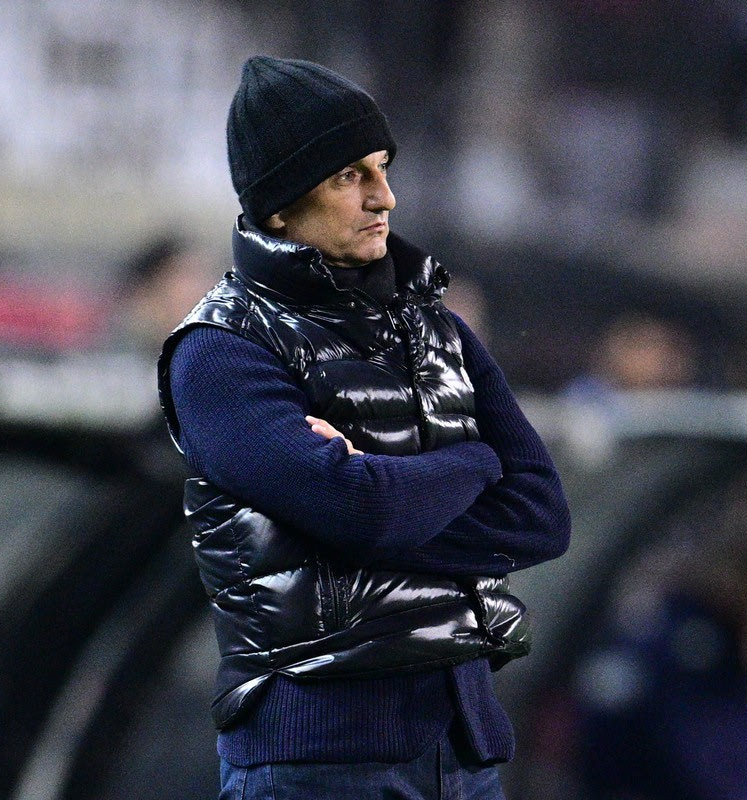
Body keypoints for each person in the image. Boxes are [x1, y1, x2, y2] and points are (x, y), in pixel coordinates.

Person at [157, 56, 571, 799]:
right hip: (315, 760)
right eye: (349, 176)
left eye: (381, 168)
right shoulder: (221, 352)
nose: (384, 196)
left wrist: (374, 503)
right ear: (278, 206)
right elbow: (362, 509)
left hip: (465, 750)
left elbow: (541, 516)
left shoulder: (437, 330)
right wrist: (475, 464)